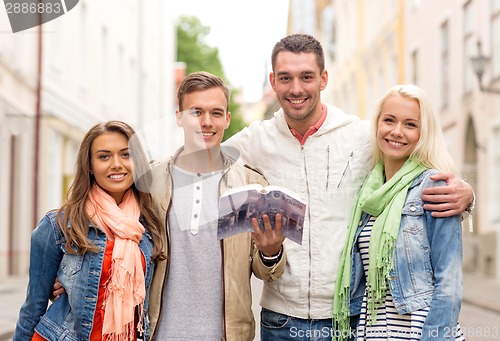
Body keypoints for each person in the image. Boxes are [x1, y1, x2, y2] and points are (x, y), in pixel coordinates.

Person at [223, 34, 474, 340]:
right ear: (273, 81)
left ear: (323, 79)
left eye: (307, 77)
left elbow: (415, 162)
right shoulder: (255, 141)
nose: (296, 88)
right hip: (281, 321)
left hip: (348, 320)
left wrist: (467, 194)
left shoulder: (362, 136)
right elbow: (197, 167)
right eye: (286, 78)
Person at [146, 71, 286, 340]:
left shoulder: (250, 185)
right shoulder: (152, 182)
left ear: (227, 119)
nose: (207, 122)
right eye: (196, 112)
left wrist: (271, 251)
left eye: (216, 113)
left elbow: (267, 272)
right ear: (179, 117)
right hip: (158, 334)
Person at [333, 84, 465, 340]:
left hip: (420, 333)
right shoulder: (367, 193)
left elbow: (449, 284)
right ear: (377, 125)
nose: (396, 132)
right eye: (389, 120)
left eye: (410, 124)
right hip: (373, 332)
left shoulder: (435, 186)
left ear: (423, 133)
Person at [13, 121, 164, 341]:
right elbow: (33, 307)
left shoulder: (148, 226)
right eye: (104, 156)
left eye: (125, 155)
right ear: (90, 166)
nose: (116, 164)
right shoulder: (59, 225)